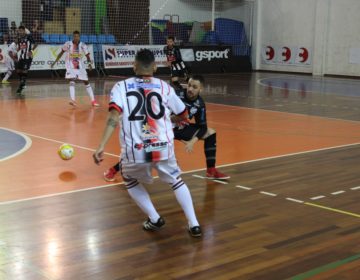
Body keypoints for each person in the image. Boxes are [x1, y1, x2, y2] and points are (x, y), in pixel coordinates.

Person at [93, 49, 202, 237]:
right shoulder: (165, 87)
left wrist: (101, 145)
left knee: (129, 179)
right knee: (176, 180)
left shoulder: (121, 87)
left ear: (134, 65)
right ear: (155, 67)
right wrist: (170, 120)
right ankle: (194, 224)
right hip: (163, 147)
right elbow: (184, 114)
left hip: (136, 150)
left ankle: (154, 218)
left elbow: (114, 115)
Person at [103, 75, 230, 181]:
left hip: (179, 129)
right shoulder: (175, 93)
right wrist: (172, 118)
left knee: (210, 133)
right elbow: (156, 111)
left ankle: (211, 170)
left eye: (194, 87)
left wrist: (192, 141)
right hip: (162, 128)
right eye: (189, 85)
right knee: (143, 148)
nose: (190, 89)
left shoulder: (200, 104)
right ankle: (113, 170)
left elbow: (202, 127)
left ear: (201, 89)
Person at [51, 30, 99, 107]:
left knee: (86, 81)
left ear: (79, 37)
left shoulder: (83, 45)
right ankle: (73, 100)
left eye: (77, 36)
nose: (76, 38)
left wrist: (90, 64)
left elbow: (87, 56)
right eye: (75, 36)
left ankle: (93, 101)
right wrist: (55, 62)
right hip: (70, 66)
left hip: (80, 66)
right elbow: (61, 52)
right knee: (71, 80)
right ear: (73, 36)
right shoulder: (68, 44)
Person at [15, 26, 36, 96]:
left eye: (21, 31)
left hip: (27, 57)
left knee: (24, 71)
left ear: (24, 31)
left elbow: (36, 44)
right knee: (18, 71)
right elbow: (19, 47)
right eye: (19, 31)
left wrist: (31, 51)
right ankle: (22, 83)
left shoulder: (29, 36)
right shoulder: (19, 38)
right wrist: (16, 51)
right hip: (21, 57)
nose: (20, 32)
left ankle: (20, 88)